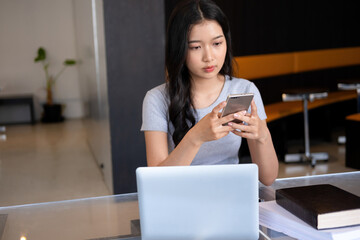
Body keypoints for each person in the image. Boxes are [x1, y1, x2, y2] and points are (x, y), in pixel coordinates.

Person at [141, 0, 278, 186]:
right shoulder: (157, 99)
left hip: (232, 197)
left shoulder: (244, 90)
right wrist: (196, 137)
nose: (209, 57)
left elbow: (268, 178)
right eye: (196, 47)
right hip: (180, 199)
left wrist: (263, 135)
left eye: (217, 43)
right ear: (179, 48)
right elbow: (156, 183)